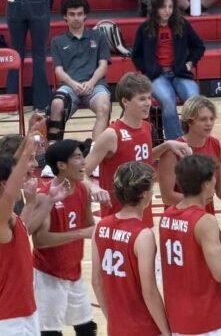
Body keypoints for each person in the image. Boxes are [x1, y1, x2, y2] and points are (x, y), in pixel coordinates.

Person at [160, 154, 221, 335]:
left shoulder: (167, 217)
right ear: (205, 185)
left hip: (178, 320)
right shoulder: (204, 221)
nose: (215, 181)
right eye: (213, 178)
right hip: (207, 322)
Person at [84, 73, 192, 228]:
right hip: (117, 216)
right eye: (142, 99)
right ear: (125, 101)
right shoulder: (111, 134)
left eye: (149, 98)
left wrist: (167, 145)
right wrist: (94, 187)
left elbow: (142, 160)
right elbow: (81, 173)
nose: (148, 103)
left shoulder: (146, 127)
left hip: (143, 213)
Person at [92, 162, 171, 336]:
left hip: (116, 329)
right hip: (145, 329)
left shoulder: (100, 226)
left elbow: (96, 282)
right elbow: (149, 291)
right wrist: (167, 332)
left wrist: (112, 319)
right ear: (144, 194)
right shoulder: (143, 235)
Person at [31, 140, 98, 336]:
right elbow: (40, 240)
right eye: (77, 157)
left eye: (82, 156)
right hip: (48, 274)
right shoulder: (44, 196)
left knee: (87, 327)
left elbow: (89, 225)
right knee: (50, 331)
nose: (83, 161)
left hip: (74, 271)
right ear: (61, 165)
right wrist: (79, 234)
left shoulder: (82, 189)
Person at [158, 95, 221, 214]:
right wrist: (199, 201)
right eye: (203, 119)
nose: (209, 123)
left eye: (212, 119)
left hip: (205, 216)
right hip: (180, 218)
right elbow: (167, 197)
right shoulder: (172, 151)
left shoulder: (218, 146)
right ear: (189, 121)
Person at [132, 0, 205, 141]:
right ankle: (177, 143)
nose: (167, 11)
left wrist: (190, 63)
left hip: (180, 73)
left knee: (194, 100)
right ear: (156, 8)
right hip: (157, 76)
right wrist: (147, 70)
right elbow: (136, 55)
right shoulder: (145, 28)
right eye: (163, 7)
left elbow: (199, 46)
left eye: (170, 7)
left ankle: (195, 139)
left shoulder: (182, 24)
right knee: (167, 101)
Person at [0, 0, 61, 112]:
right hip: (39, 2)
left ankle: (12, 102)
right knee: (39, 55)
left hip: (14, 1)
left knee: (16, 53)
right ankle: (40, 104)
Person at [48, 0, 112, 142]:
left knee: (104, 106)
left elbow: (103, 66)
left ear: (85, 15)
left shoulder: (99, 36)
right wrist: (73, 84)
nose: (76, 18)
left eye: (79, 14)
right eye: (72, 14)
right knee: (56, 104)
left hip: (95, 85)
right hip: (70, 86)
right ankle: (53, 149)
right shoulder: (57, 41)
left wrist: (91, 83)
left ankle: (96, 150)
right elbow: (58, 71)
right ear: (65, 16)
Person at [0, 130, 43, 335]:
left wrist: (31, 203)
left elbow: (20, 232)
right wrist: (26, 152)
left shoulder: (9, 218)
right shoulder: (2, 215)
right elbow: (9, 191)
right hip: (10, 318)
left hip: (23, 311)